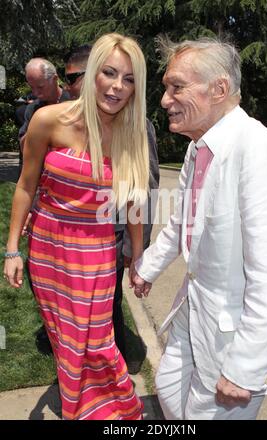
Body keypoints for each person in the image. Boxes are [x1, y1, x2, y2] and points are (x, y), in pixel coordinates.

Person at [133, 37, 267, 420]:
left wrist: (245, 367)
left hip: (235, 336)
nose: (164, 100)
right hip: (195, 311)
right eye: (165, 88)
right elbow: (182, 222)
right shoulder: (198, 148)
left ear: (219, 89)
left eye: (176, 86)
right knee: (170, 390)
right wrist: (148, 267)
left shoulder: (258, 149)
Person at [4, 33, 149, 420]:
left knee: (97, 341)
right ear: (91, 75)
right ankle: (81, 409)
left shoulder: (131, 134)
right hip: (48, 249)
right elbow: (24, 186)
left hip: (98, 252)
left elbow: (134, 201)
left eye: (130, 79)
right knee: (66, 340)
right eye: (109, 73)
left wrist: (138, 256)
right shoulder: (47, 120)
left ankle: (116, 409)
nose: (118, 86)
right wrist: (13, 249)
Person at [63, 45, 159, 367]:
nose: (69, 84)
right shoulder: (62, 120)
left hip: (113, 242)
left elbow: (146, 189)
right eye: (109, 73)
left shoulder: (137, 126)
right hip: (68, 244)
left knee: (108, 306)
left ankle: (115, 363)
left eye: (128, 79)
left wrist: (137, 248)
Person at [18, 58, 70, 152]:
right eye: (32, 87)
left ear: (55, 79)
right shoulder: (33, 109)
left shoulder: (73, 102)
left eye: (40, 87)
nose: (36, 93)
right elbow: (23, 148)